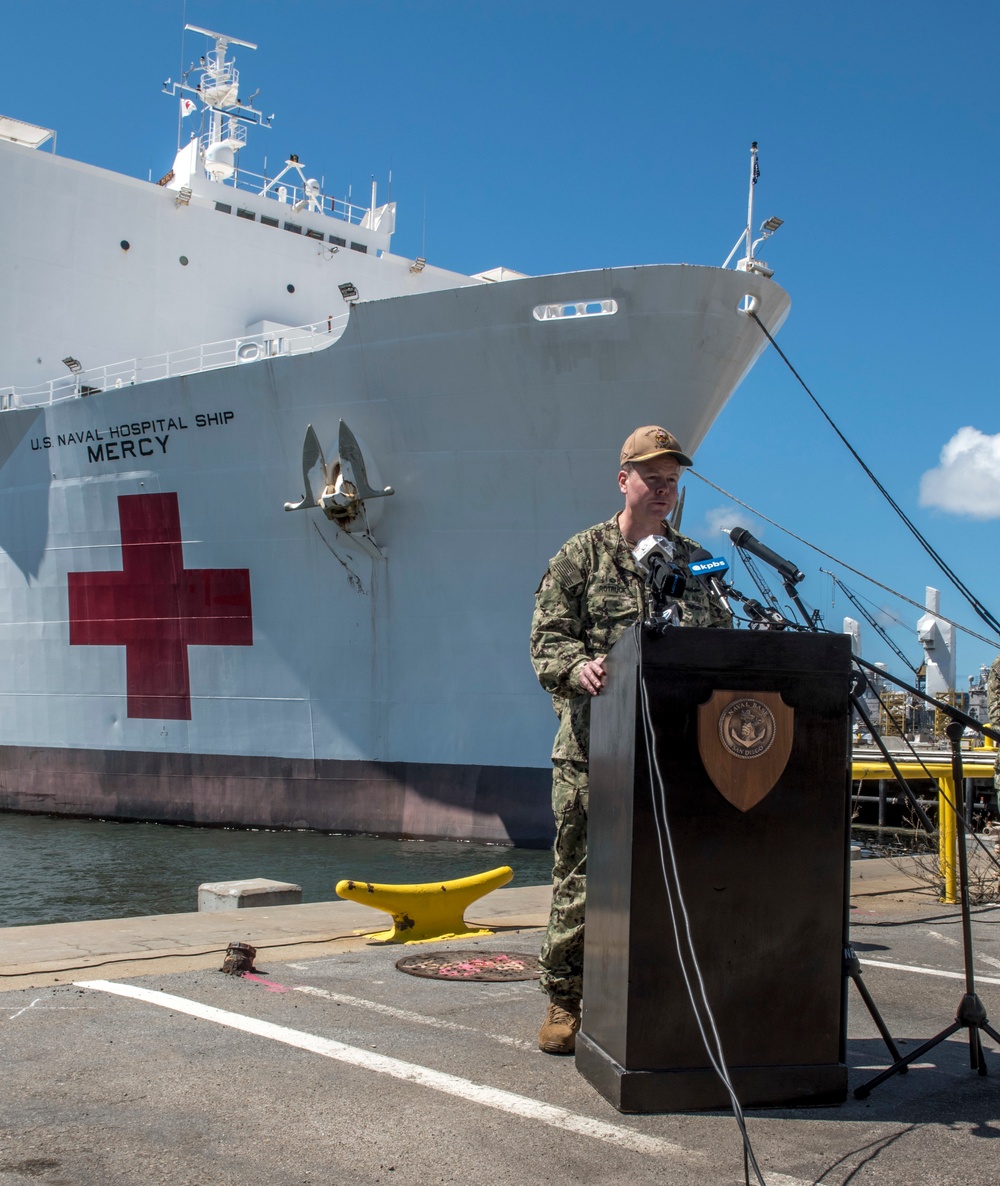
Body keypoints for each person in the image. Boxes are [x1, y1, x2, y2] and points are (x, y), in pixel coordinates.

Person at [528, 425, 732, 1054]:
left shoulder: (696, 562)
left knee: (678, 877)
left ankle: (668, 1000)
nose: (665, 489)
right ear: (624, 480)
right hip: (597, 753)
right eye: (653, 477)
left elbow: (722, 642)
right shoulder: (581, 555)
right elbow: (546, 640)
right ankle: (565, 1000)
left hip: (679, 757)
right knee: (584, 879)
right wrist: (579, 666)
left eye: (673, 479)